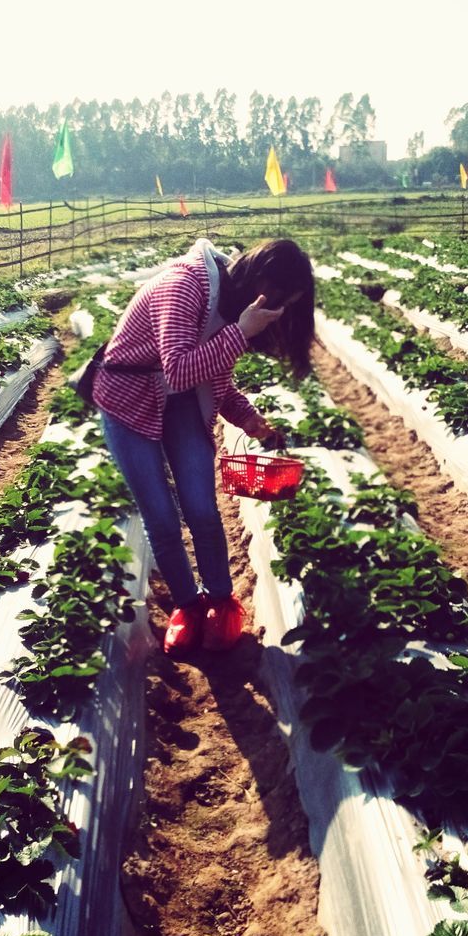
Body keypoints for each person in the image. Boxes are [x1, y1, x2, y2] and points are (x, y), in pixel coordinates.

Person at [94, 237, 315, 657]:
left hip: (179, 402)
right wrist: (241, 331)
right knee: (160, 516)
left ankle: (220, 602)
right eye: (281, 300)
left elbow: (215, 379)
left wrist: (249, 419)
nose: (280, 312)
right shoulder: (184, 286)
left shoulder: (230, 306)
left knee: (201, 508)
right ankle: (187, 607)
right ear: (261, 282)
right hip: (126, 400)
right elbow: (179, 369)